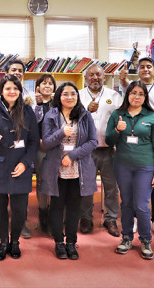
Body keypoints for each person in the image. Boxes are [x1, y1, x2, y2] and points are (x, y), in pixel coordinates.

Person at [0, 74, 39, 261]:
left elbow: (34, 142)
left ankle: (15, 242)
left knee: (20, 208)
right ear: (1, 91)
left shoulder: (28, 111)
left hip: (21, 166)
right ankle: (3, 243)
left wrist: (25, 163)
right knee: (0, 207)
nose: (12, 92)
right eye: (7, 88)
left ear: (20, 91)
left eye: (15, 88)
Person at [106, 81, 154, 260]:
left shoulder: (152, 117)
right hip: (122, 165)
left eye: (140, 94)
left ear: (145, 97)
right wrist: (117, 130)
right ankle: (127, 238)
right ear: (127, 95)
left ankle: (145, 240)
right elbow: (109, 140)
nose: (136, 97)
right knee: (127, 203)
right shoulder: (117, 114)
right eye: (133, 93)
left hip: (145, 166)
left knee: (141, 205)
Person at [41, 82, 98, 260]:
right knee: (57, 207)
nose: (70, 97)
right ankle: (59, 242)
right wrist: (61, 132)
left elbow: (93, 142)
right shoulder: (50, 115)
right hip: (56, 168)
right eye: (65, 94)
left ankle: (71, 242)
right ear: (59, 96)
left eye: (73, 94)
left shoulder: (84, 115)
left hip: (78, 167)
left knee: (74, 207)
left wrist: (72, 155)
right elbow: (47, 143)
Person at [119, 57, 154, 236]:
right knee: (135, 181)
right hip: (135, 139)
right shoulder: (133, 87)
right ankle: (134, 216)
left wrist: (151, 124)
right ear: (138, 70)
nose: (146, 69)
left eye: (149, 66)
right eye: (142, 67)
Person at [0, 59, 33, 239]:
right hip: (1, 153)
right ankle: (1, 228)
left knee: (20, 196)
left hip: (22, 151)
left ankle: (20, 226)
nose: (17, 72)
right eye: (13, 70)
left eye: (20, 70)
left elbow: (33, 124)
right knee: (0, 196)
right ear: (6, 72)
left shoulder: (30, 95)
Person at [79, 65, 122, 236]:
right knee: (87, 186)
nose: (95, 77)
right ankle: (86, 218)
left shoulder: (114, 96)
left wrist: (118, 143)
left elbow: (121, 119)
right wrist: (86, 110)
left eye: (98, 74)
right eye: (91, 75)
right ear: (86, 77)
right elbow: (71, 118)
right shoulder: (78, 95)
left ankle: (110, 219)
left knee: (111, 187)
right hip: (86, 150)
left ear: (104, 77)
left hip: (109, 150)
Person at [33, 73, 56, 233]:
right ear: (38, 87)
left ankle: (55, 213)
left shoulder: (59, 103)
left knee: (56, 180)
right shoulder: (33, 103)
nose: (47, 86)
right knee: (42, 181)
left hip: (56, 148)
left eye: (50, 83)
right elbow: (31, 125)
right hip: (40, 148)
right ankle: (43, 213)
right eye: (44, 83)